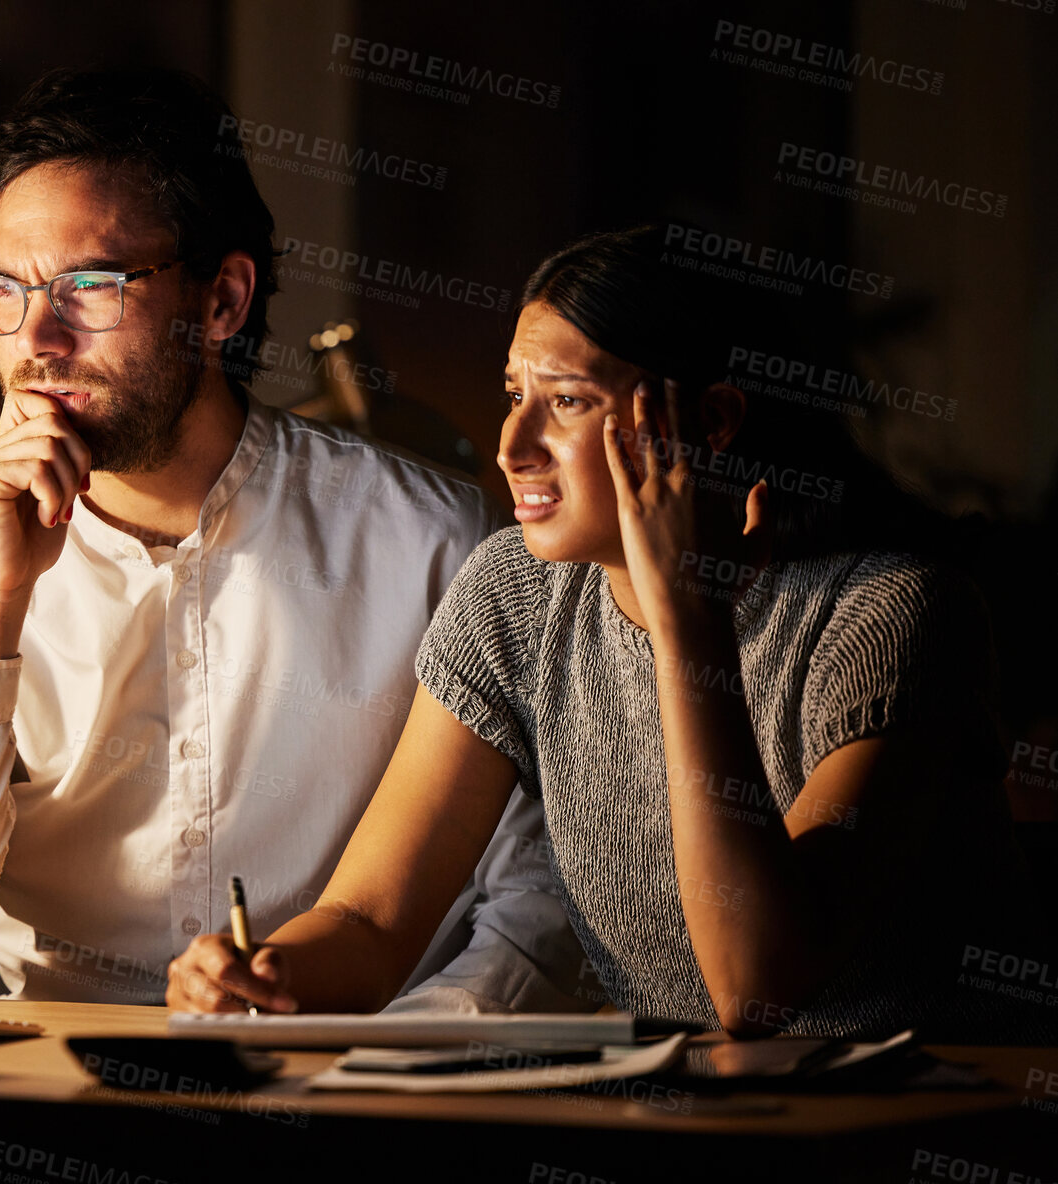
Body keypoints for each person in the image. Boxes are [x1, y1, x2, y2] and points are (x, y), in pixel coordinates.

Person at [168, 225, 1056, 1041]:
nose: (513, 442)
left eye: (566, 402)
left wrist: (684, 620)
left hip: (929, 1121)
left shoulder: (891, 615)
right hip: (691, 1120)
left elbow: (755, 987)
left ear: (710, 423)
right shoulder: (514, 593)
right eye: (513, 394)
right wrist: (265, 974)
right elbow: (371, 921)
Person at [0, 66, 585, 1008]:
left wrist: (387, 1069)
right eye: (4, 293)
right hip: (55, 1097)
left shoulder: (438, 548)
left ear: (221, 301)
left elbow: (539, 904)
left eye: (88, 287)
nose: (37, 341)